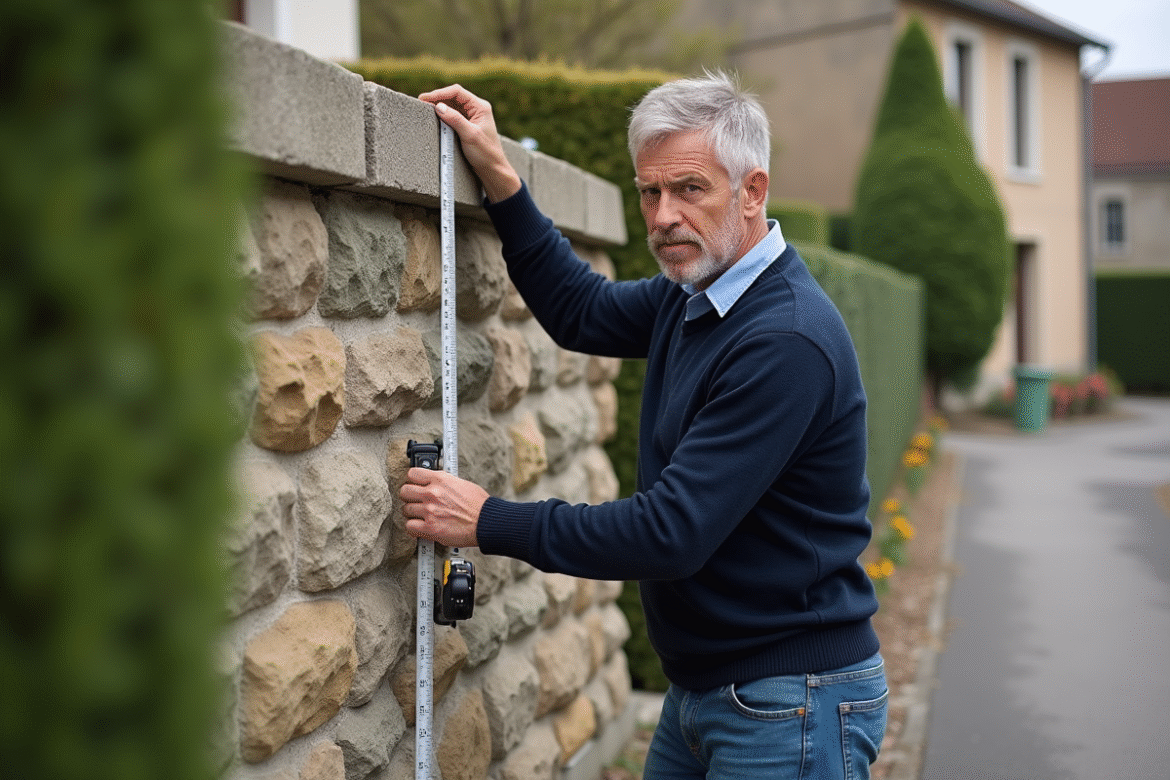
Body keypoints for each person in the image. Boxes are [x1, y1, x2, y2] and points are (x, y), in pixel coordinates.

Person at [402, 71, 888, 779]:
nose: (663, 216)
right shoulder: (694, 295)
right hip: (710, 690)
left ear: (752, 192)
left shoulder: (783, 339)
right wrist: (501, 178)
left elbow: (670, 533)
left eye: (690, 188)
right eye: (649, 192)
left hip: (790, 704)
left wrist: (487, 520)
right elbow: (581, 311)